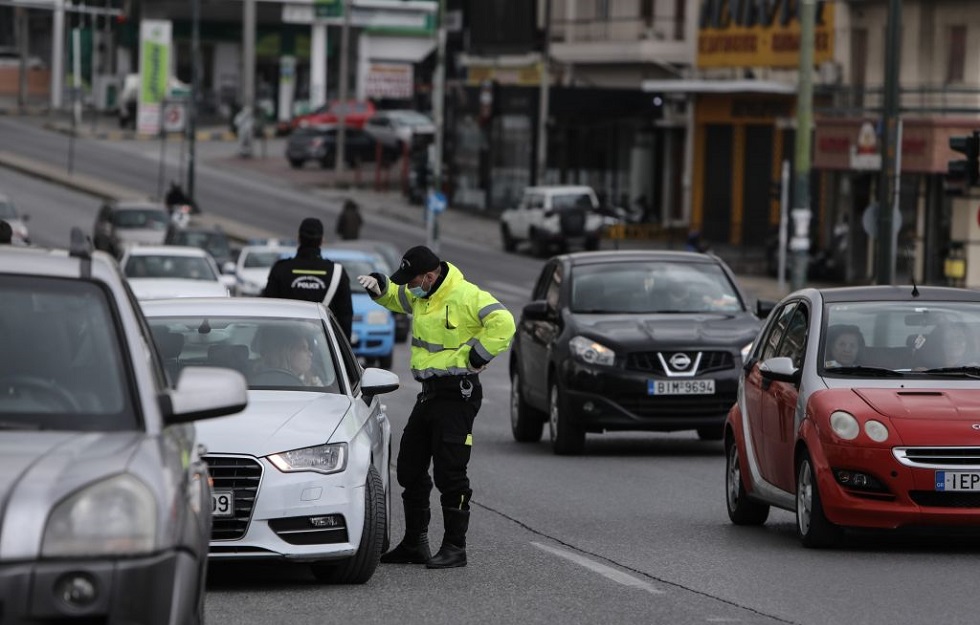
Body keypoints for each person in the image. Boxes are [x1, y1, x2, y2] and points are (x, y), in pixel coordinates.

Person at [357, 245, 515, 569]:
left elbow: (504, 323)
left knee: (450, 472)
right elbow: (396, 296)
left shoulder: (466, 296)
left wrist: (477, 356)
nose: (410, 286)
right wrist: (380, 285)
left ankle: (455, 547)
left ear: (429, 276)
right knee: (409, 467)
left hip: (457, 394)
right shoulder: (421, 295)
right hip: (429, 393)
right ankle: (415, 543)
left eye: (413, 280)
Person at [263, 217, 353, 340]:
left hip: (285, 345)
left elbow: (268, 311)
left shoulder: (281, 269)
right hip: (323, 351)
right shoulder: (337, 273)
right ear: (322, 241)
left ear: (299, 238)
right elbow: (345, 318)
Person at [251, 326, 323, 387]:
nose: (310, 354)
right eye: (303, 348)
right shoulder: (257, 379)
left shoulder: (313, 381)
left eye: (308, 349)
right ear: (286, 352)